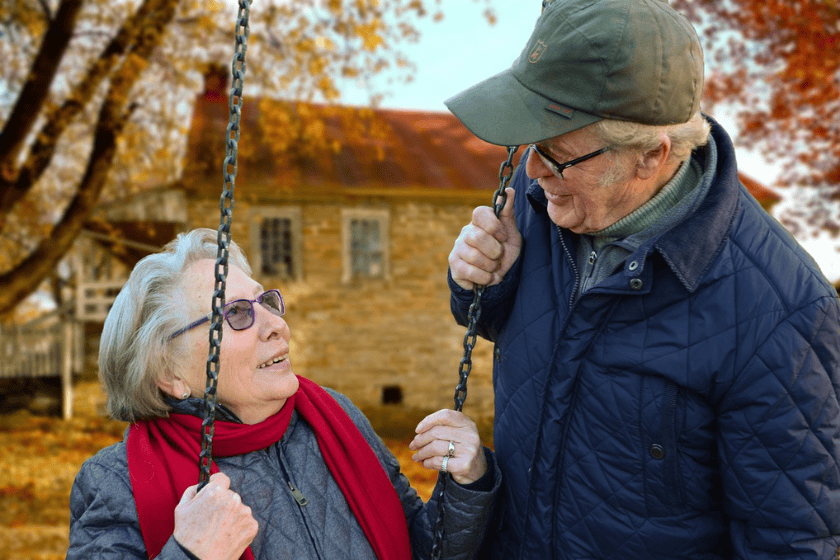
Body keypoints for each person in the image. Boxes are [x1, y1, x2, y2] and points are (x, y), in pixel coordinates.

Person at [445, 0, 840, 558]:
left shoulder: (784, 314)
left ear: (651, 156)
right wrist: (482, 282)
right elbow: (503, 328)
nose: (532, 171)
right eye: (532, 145)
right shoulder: (543, 202)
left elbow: (789, 541)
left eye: (558, 155)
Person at [68, 228, 500, 560]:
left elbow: (420, 549)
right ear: (169, 373)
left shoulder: (335, 418)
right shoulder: (116, 481)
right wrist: (189, 555)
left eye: (267, 302)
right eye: (237, 314)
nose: (276, 325)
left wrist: (467, 483)